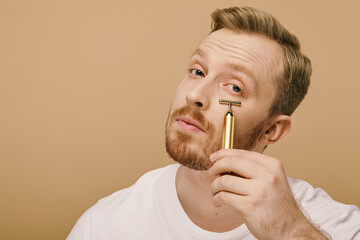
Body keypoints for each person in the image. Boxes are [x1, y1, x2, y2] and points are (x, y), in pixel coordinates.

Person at [67, 6, 360, 240]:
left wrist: (290, 233)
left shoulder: (335, 226)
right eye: (197, 71)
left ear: (272, 129)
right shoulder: (103, 226)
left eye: (234, 87)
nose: (195, 95)